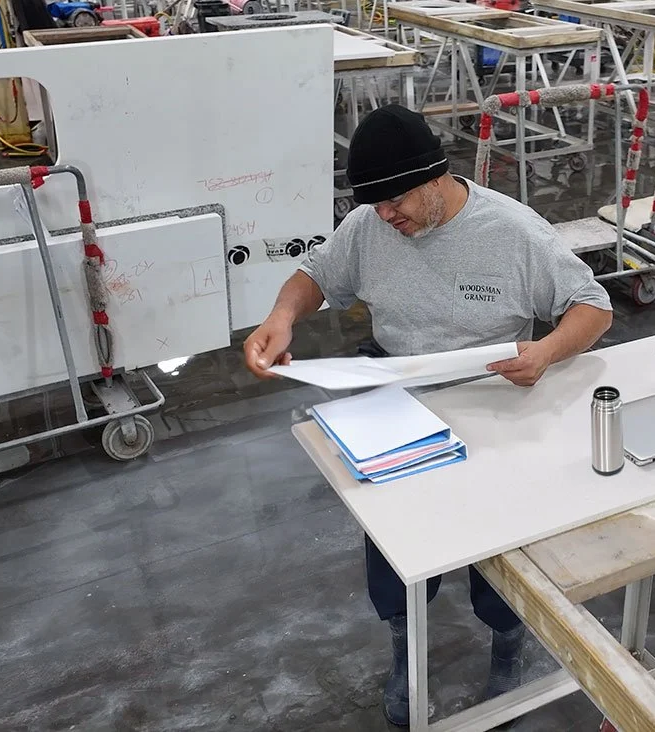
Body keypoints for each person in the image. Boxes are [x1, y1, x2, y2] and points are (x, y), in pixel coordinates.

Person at [242, 104, 613, 726]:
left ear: (436, 177)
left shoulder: (513, 233)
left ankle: (508, 643)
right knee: (395, 546)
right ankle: (405, 647)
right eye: (374, 205)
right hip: (400, 401)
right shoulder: (369, 226)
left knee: (501, 549)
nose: (385, 217)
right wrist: (282, 315)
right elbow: (316, 274)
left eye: (397, 202)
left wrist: (546, 351)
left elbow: (592, 306)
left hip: (494, 403)